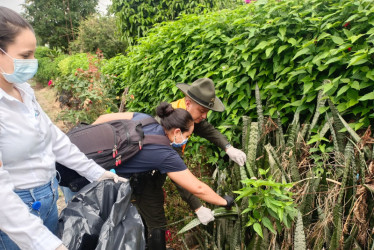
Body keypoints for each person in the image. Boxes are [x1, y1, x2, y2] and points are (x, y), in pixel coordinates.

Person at [0, 7, 126, 250]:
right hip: (16, 214)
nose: (32, 63)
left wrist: (97, 173)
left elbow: (54, 139)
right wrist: (47, 244)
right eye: (25, 56)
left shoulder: (23, 91)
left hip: (47, 196)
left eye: (34, 55)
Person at [92, 102, 234, 250]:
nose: (188, 138)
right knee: (155, 223)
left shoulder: (151, 118)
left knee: (139, 217)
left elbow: (104, 117)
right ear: (177, 132)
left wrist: (228, 147)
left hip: (112, 175)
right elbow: (192, 185)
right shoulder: (165, 151)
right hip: (136, 181)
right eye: (188, 135)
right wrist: (222, 202)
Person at [169, 78, 247, 225]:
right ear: (188, 103)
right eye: (202, 111)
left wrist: (229, 148)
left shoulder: (186, 113)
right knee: (155, 220)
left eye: (207, 112)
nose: (204, 116)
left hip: (157, 167)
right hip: (142, 174)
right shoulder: (172, 124)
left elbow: (207, 130)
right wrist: (198, 207)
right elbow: (178, 173)